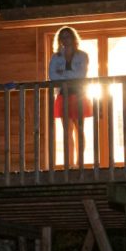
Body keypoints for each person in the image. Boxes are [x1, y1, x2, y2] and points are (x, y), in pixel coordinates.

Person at [49, 27, 90, 166]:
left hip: (79, 94)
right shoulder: (55, 57)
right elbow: (52, 76)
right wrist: (70, 74)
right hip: (63, 95)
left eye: (68, 36)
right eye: (63, 37)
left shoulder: (82, 55)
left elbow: (81, 75)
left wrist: (63, 74)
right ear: (60, 40)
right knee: (67, 131)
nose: (66, 40)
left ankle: (80, 163)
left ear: (73, 38)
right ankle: (69, 163)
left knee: (79, 129)